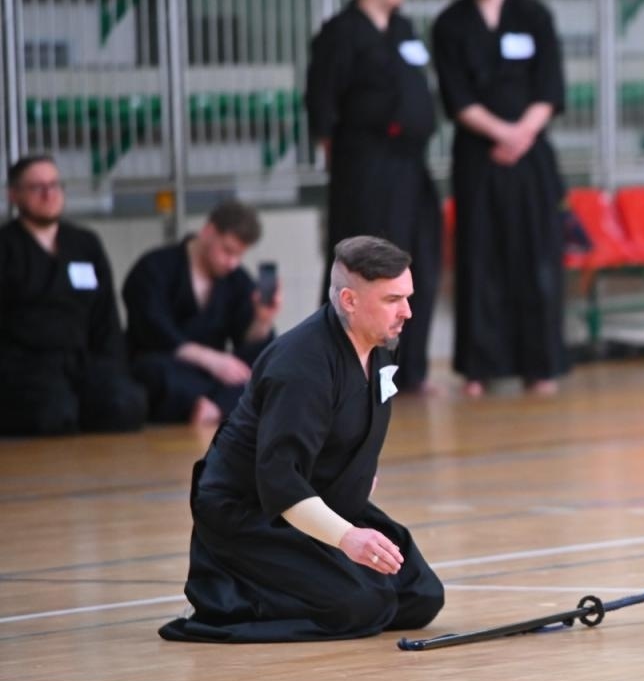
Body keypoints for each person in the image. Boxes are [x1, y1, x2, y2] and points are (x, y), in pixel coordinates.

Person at [157, 236, 445, 643]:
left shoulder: (382, 344)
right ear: (349, 300)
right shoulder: (301, 367)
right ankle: (231, 597)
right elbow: (279, 479)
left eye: (408, 297)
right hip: (251, 511)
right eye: (393, 299)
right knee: (362, 605)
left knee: (420, 596)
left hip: (324, 497)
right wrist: (348, 538)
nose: (407, 312)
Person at [431, 0, 569, 396]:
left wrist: (522, 132)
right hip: (478, 154)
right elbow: (457, 98)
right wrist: (500, 133)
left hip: (532, 155)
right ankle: (480, 368)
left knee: (537, 257)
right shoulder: (450, 24)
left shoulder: (533, 15)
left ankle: (541, 364)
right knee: (480, 258)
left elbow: (550, 86)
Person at [306, 0, 441, 393]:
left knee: (413, 261)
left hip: (410, 166)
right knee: (366, 266)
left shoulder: (403, 29)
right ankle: (352, 370)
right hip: (365, 167)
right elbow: (323, 107)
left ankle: (409, 370)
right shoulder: (340, 33)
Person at [0, 154, 145, 436]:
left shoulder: (84, 243)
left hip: (81, 361)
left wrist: (112, 369)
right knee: (52, 415)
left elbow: (106, 316)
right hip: (25, 367)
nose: (48, 194)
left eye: (54, 185)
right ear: (14, 195)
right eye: (36, 187)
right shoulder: (5, 247)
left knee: (126, 404)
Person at [122, 199, 282, 427]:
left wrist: (262, 321)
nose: (232, 263)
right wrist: (211, 360)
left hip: (215, 377)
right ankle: (223, 404)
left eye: (239, 255)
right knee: (154, 373)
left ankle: (213, 406)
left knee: (271, 367)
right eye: (227, 251)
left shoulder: (236, 280)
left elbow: (250, 350)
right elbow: (152, 329)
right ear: (208, 232)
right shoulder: (154, 267)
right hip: (167, 367)